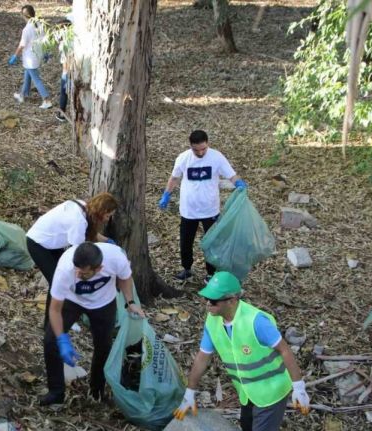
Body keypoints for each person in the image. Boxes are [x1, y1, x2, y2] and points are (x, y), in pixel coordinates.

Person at [174, 272, 310, 430]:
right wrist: (189, 392)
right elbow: (202, 357)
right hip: (247, 393)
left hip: (272, 393)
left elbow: (284, 350)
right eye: (206, 298)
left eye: (213, 300)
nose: (207, 304)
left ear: (231, 301)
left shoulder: (256, 322)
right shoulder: (212, 321)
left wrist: (299, 387)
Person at [40, 241, 144, 406]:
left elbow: (125, 278)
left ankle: (97, 390)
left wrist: (130, 302)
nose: (78, 274)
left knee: (103, 346)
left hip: (103, 303)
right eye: (77, 270)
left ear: (99, 269)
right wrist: (62, 338)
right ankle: (56, 392)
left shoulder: (116, 257)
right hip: (72, 301)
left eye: (83, 273)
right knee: (50, 341)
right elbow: (54, 310)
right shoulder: (65, 269)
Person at [158, 130, 246, 284]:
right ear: (190, 146)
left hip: (210, 209)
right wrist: (166, 194)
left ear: (208, 143)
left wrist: (238, 183)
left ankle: (211, 273)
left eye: (203, 149)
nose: (200, 152)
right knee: (186, 241)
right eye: (196, 149)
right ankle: (186, 269)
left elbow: (231, 175)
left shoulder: (217, 157)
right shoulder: (184, 158)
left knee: (211, 243)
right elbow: (174, 178)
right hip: (188, 209)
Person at [26, 192, 118, 327]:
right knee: (58, 281)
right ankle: (51, 323)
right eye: (108, 216)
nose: (107, 220)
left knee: (66, 280)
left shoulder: (84, 207)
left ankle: (63, 315)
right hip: (38, 243)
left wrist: (108, 241)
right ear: (101, 211)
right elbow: (77, 254)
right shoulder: (78, 221)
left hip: (52, 243)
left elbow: (89, 232)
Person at [8, 5, 52, 110]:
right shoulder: (39, 24)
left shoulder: (27, 29)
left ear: (23, 16)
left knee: (36, 79)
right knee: (27, 74)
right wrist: (45, 53)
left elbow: (22, 45)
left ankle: (47, 100)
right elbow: (44, 40)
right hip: (37, 55)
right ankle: (23, 94)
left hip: (30, 58)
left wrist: (15, 55)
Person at [54, 17, 73, 122]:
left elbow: (67, 60)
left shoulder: (66, 43)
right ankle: (61, 112)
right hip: (68, 72)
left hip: (68, 72)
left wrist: (66, 73)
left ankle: (62, 113)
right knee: (64, 93)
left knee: (65, 92)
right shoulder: (72, 40)